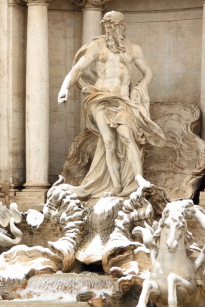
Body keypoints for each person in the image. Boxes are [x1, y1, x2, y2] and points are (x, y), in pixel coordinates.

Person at [58, 11, 166, 198]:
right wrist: (64, 87)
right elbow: (78, 68)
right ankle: (116, 186)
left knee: (126, 137)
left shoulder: (133, 49)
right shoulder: (97, 46)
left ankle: (138, 179)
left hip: (123, 100)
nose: (109, 29)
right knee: (108, 141)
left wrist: (139, 88)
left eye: (112, 26)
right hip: (100, 98)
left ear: (122, 26)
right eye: (106, 26)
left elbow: (148, 73)